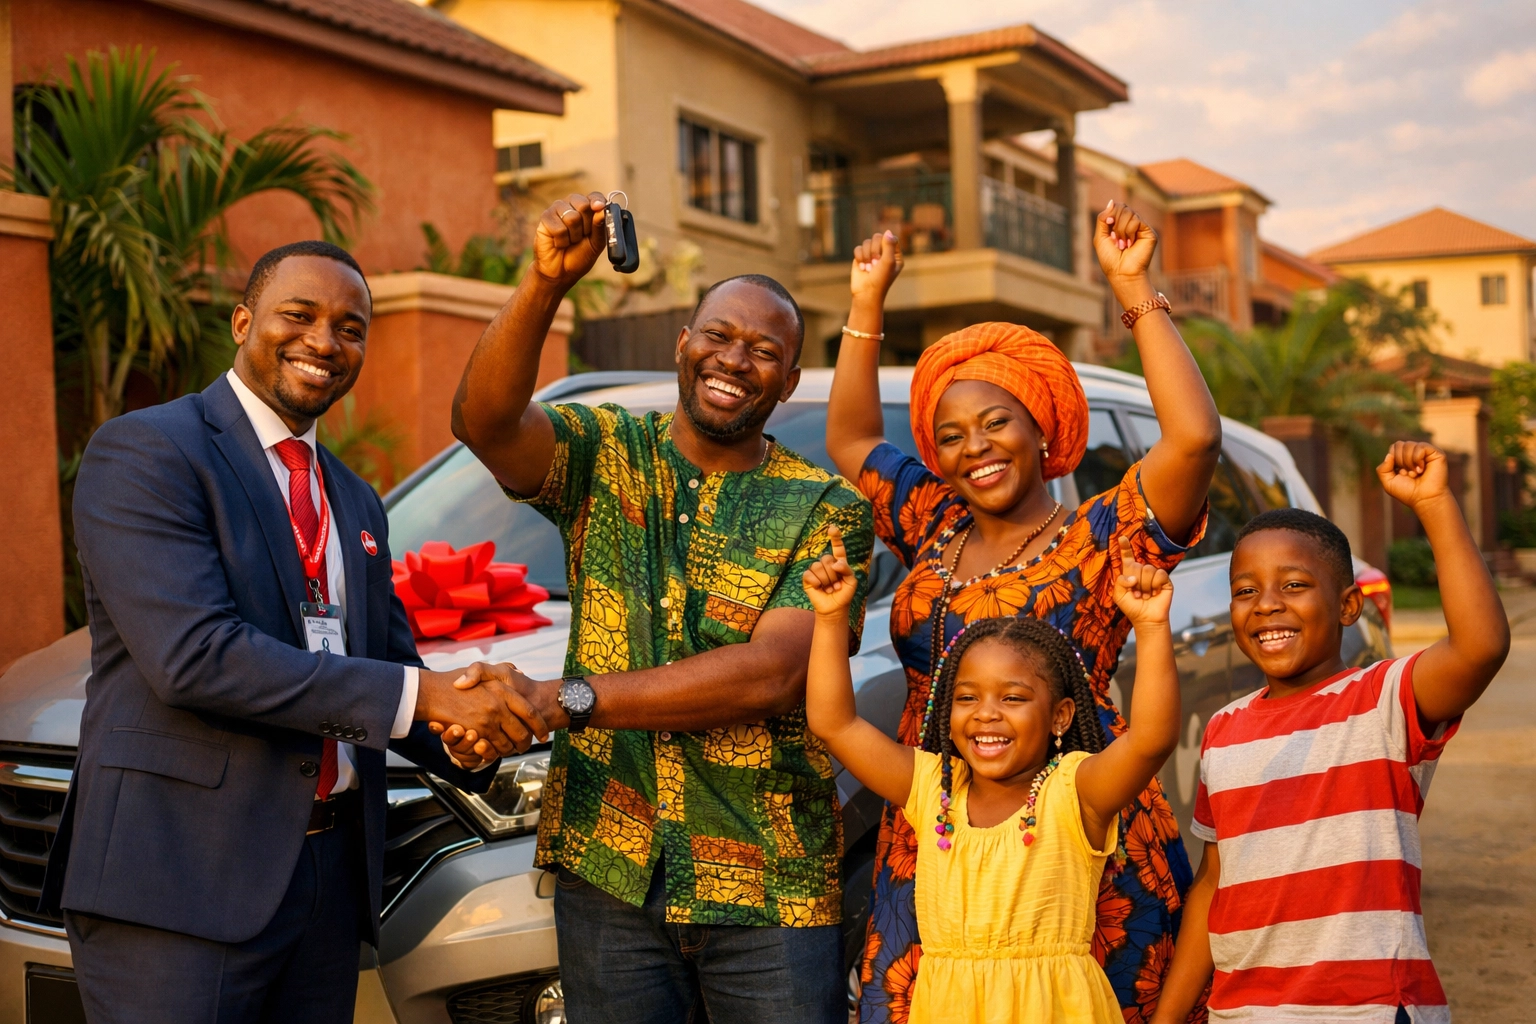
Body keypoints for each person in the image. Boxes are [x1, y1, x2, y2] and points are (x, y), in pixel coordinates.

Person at [44, 240, 543, 1024]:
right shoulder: (148, 451)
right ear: (244, 322)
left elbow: (386, 669)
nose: (325, 341)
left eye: (351, 327)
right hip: (179, 884)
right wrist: (429, 696)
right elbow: (194, 659)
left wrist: (465, 735)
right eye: (299, 315)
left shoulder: (354, 498)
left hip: (325, 886)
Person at [449, 193, 875, 1024]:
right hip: (610, 867)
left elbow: (775, 673)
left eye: (763, 351)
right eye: (718, 336)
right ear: (684, 346)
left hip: (768, 884)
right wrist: (544, 283)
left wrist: (561, 700)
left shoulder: (827, 507)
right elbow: (486, 421)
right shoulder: (604, 453)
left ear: (788, 382)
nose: (734, 359)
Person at [826, 204, 1222, 1022]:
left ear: (1042, 428)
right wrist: (866, 307)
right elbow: (853, 438)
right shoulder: (933, 521)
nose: (976, 447)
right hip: (937, 828)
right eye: (953, 435)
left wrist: (1132, 286)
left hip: (1074, 837)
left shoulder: (1100, 534)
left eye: (996, 422)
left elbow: (1192, 442)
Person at [1149, 442, 1510, 1024]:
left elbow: (1479, 647)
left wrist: (1436, 503)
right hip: (1243, 1014)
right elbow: (1215, 886)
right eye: (1246, 590)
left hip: (1367, 1010)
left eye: (1293, 585)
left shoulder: (1383, 702)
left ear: (1348, 606)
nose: (1266, 605)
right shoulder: (1224, 729)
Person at [803, 527, 1183, 1023]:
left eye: (1013, 698)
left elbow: (1151, 740)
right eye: (967, 698)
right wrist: (830, 619)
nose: (986, 714)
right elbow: (834, 723)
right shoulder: (932, 788)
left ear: (1061, 717)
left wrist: (1151, 628)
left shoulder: (1074, 790)